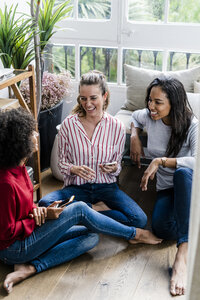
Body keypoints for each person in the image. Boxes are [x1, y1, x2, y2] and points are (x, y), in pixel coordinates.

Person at [0, 108, 162, 294]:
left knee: (91, 235)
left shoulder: (20, 168)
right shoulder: (5, 183)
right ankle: (135, 234)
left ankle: (31, 267)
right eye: (31, 133)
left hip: (27, 236)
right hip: (14, 249)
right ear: (20, 142)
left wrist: (37, 210)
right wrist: (40, 216)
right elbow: (5, 233)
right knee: (79, 210)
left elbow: (21, 209)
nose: (36, 134)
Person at [39, 70, 148, 229]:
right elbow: (62, 163)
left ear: (104, 96)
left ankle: (81, 214)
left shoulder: (116, 126)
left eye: (93, 98)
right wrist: (74, 169)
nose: (88, 104)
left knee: (139, 219)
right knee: (45, 204)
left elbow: (117, 167)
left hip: (107, 188)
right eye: (83, 98)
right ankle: (93, 212)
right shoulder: (69, 124)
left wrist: (114, 167)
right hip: (76, 188)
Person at [130, 76, 198, 296]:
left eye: (157, 102)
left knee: (182, 172)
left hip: (189, 184)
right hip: (167, 188)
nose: (151, 106)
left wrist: (160, 161)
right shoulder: (150, 117)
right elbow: (135, 116)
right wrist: (134, 136)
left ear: (174, 103)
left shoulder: (192, 125)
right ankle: (191, 225)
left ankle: (184, 252)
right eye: (150, 100)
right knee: (161, 229)